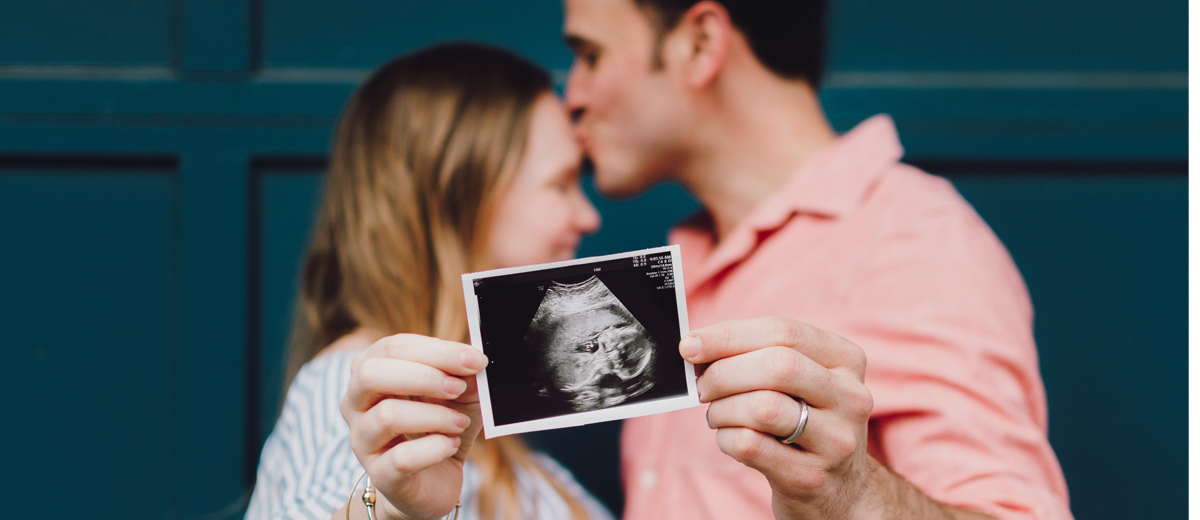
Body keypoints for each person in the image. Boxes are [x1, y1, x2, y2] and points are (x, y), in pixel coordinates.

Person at [560, 1, 1073, 519]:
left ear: (701, 44)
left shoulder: (914, 240)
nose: (572, 98)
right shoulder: (680, 264)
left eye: (591, 55)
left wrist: (852, 492)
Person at [244, 42, 614, 520]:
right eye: (560, 183)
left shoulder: (485, 433)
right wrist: (391, 509)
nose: (588, 217)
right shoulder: (365, 394)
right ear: (460, 197)